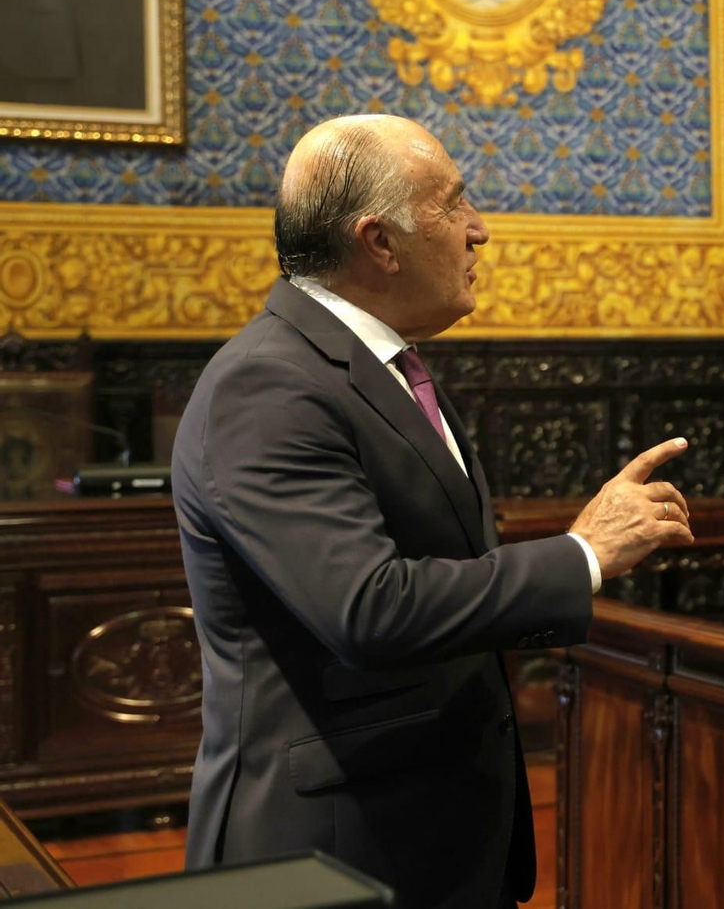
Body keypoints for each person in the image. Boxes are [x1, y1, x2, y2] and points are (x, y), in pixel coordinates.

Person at [172, 115, 695, 909]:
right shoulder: (269, 385)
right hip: (334, 851)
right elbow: (367, 609)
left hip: (426, 834)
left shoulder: (381, 366)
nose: (479, 230)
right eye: (454, 206)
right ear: (378, 242)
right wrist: (582, 554)